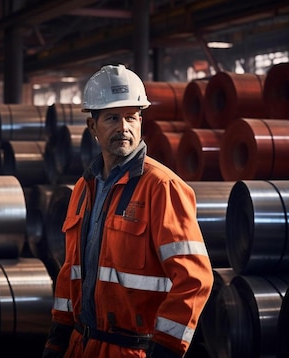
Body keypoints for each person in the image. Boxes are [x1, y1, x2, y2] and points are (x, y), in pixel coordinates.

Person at [43, 64, 213, 358]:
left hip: (132, 351)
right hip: (80, 345)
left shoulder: (162, 187)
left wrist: (166, 350)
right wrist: (58, 338)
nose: (124, 128)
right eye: (112, 118)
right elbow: (70, 272)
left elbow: (195, 279)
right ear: (92, 127)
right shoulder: (84, 189)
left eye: (131, 118)